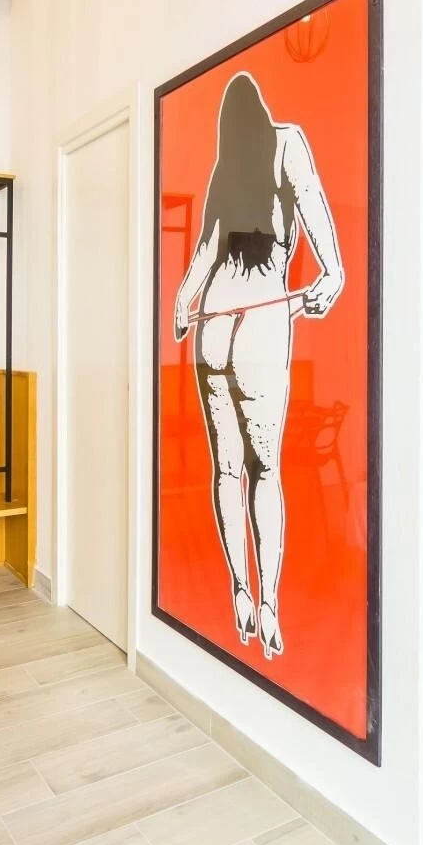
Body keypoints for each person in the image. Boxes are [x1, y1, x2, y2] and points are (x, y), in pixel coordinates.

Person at [173, 72, 345, 660]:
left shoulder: (225, 168)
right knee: (264, 470)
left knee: (227, 470)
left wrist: (182, 304)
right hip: (262, 323)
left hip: (214, 328)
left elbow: (205, 250)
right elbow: (315, 209)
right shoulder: (287, 143)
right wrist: (332, 273)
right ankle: (269, 604)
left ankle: (241, 594)